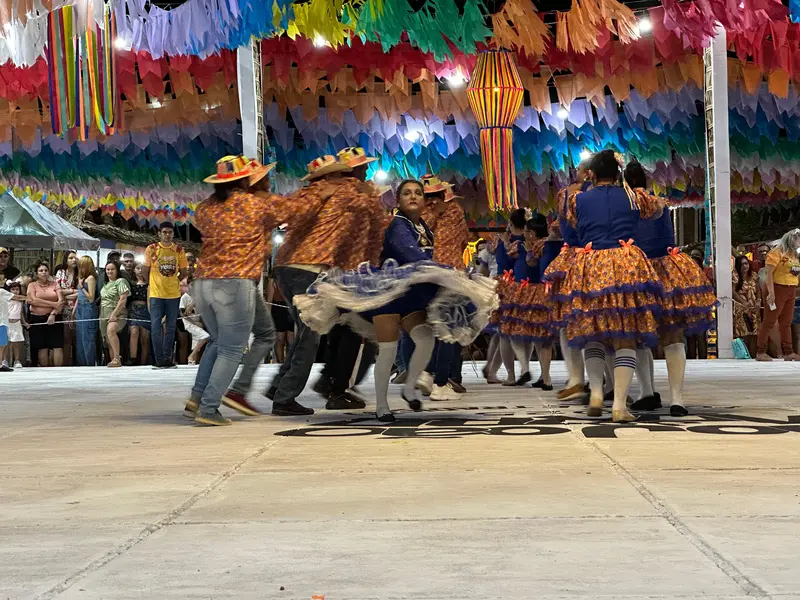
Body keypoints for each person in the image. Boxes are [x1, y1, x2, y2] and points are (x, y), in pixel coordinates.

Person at [294, 179, 497, 421]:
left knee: (425, 339)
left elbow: (423, 257)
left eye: (418, 193)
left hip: (410, 294)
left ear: (424, 200)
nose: (413, 197)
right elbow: (410, 254)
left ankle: (410, 388)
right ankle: (382, 406)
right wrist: (445, 272)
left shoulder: (423, 227)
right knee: (388, 349)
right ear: (398, 200)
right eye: (407, 193)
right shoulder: (397, 224)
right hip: (388, 294)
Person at [186, 156, 295, 425]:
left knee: (233, 338)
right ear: (248, 180)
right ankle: (209, 408)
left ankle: (197, 398)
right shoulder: (256, 204)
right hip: (235, 282)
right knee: (232, 349)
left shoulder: (205, 208)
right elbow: (294, 209)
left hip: (203, 282)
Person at [558, 150, 665, 423]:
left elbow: (568, 227)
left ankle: (595, 392)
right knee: (626, 335)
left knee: (593, 333)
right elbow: (657, 209)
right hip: (625, 263)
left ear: (591, 173)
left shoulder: (577, 199)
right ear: (618, 172)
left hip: (591, 264)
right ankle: (619, 405)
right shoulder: (633, 196)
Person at [265, 154, 376, 415]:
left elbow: (286, 216)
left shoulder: (305, 194)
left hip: (285, 267)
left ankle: (281, 385)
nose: (365, 173)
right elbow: (370, 210)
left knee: (305, 332)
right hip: (309, 268)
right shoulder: (344, 191)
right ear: (332, 176)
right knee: (311, 335)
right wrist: (370, 192)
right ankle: (285, 396)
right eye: (361, 168)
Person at [625, 160, 715, 417]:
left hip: (638, 270)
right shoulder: (660, 203)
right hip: (669, 270)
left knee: (639, 335)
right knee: (674, 336)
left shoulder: (627, 205)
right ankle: (678, 398)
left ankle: (646, 392)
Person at [544, 160, 593, 402]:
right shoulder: (604, 194)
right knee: (595, 319)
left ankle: (577, 378)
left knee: (569, 319)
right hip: (596, 257)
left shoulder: (567, 195)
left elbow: (565, 225)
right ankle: (595, 380)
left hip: (574, 258)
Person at [419, 174, 471, 400]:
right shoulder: (456, 212)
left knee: (429, 327)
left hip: (425, 275)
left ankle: (426, 373)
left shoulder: (417, 216)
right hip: (452, 275)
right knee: (449, 329)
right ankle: (439, 380)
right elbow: (463, 241)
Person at [143, 223, 189, 368]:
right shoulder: (152, 249)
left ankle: (167, 359)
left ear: (173, 233)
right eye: (164, 232)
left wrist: (175, 280)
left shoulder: (179, 250)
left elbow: (184, 271)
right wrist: (151, 283)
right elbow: (145, 270)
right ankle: (159, 360)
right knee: (156, 327)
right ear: (159, 233)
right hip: (156, 294)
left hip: (173, 294)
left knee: (170, 328)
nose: (167, 235)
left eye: (170, 232)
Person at [755, 229, 800, 362]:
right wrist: (771, 293)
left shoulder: (793, 255)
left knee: (786, 322)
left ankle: (788, 352)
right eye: (798, 240)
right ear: (792, 239)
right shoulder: (776, 252)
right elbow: (768, 274)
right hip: (777, 288)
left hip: (791, 289)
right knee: (769, 321)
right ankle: (760, 351)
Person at [26, 260, 65, 367]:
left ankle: (59, 371)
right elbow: (32, 300)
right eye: (41, 270)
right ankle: (44, 371)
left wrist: (53, 313)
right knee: (42, 347)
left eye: (46, 270)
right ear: (37, 273)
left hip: (54, 317)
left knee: (57, 345)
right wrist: (53, 304)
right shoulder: (32, 285)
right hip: (37, 318)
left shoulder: (55, 284)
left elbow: (61, 302)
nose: (44, 272)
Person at [99, 261, 130, 368]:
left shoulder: (121, 281)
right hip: (104, 313)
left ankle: (117, 358)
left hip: (118, 313)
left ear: (117, 270)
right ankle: (113, 361)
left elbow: (123, 299)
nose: (109, 271)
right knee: (108, 339)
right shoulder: (106, 284)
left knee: (111, 330)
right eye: (108, 269)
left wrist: (114, 313)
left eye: (112, 269)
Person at [732, 254, 761, 358]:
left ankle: (753, 357)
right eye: (742, 264)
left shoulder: (753, 275)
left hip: (754, 308)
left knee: (754, 334)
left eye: (746, 263)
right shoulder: (735, 275)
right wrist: (743, 303)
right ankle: (744, 357)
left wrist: (758, 301)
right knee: (744, 334)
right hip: (741, 308)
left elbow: (758, 290)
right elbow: (733, 291)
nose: (745, 266)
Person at [54, 251, 79, 366]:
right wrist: (73, 291)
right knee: (66, 338)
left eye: (75, 258)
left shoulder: (80, 273)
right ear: (66, 260)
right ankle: (66, 364)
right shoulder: (60, 272)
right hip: (63, 308)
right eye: (71, 258)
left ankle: (77, 363)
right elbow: (57, 291)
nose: (74, 260)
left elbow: (82, 293)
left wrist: (67, 294)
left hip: (78, 307)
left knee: (76, 338)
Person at [74, 256, 98, 366]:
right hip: (80, 308)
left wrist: (82, 287)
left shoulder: (90, 278)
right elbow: (79, 297)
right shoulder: (82, 278)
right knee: (80, 338)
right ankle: (82, 363)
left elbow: (91, 298)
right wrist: (74, 310)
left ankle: (89, 364)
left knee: (87, 338)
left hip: (88, 308)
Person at [179, 278, 209, 365]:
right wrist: (195, 323)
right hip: (189, 323)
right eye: (192, 285)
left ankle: (192, 362)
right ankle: (191, 356)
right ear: (188, 285)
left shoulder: (199, 297)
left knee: (196, 343)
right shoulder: (184, 297)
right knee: (205, 336)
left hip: (198, 321)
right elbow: (182, 314)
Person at [266, 275, 293, 363]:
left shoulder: (293, 277)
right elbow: (269, 302)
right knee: (280, 339)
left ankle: (290, 363)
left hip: (291, 308)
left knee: (291, 339)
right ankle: (280, 363)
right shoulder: (273, 280)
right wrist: (268, 319)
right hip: (278, 310)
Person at [128, 263, 151, 366]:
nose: (140, 271)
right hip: (133, 310)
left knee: (144, 337)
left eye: (142, 268)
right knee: (134, 332)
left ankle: (144, 362)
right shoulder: (131, 284)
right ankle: (133, 359)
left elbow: (149, 301)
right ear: (134, 270)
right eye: (138, 268)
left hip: (145, 310)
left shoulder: (149, 285)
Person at [4, 279, 26, 368]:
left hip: (17, 323)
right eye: (13, 289)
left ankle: (17, 360)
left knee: (16, 343)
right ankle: (5, 360)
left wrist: (24, 322)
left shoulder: (20, 301)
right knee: (6, 343)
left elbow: (21, 313)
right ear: (9, 290)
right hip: (7, 323)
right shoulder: (5, 300)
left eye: (17, 289)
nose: (15, 291)